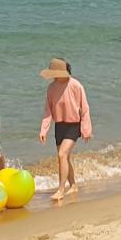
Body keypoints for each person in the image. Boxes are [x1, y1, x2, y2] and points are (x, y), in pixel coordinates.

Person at [39, 57, 92, 202]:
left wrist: (86, 128)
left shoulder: (75, 85)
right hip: (59, 126)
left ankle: (61, 190)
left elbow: (85, 108)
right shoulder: (51, 88)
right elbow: (47, 110)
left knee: (62, 155)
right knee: (65, 158)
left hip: (73, 125)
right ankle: (73, 185)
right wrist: (44, 130)